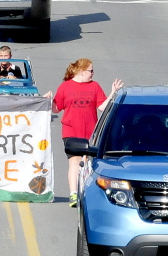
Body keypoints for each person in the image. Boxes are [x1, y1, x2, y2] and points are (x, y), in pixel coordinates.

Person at [48, 58, 122, 207]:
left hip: (90, 131)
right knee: (74, 161)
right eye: (91, 71)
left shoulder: (94, 86)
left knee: (88, 162)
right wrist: (49, 100)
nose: (93, 73)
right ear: (81, 72)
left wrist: (113, 93)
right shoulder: (65, 87)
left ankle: (86, 193)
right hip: (71, 130)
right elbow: (55, 109)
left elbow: (102, 107)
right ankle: (73, 194)